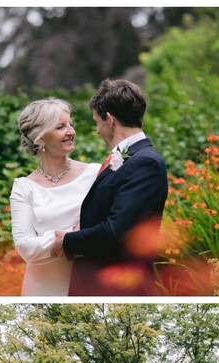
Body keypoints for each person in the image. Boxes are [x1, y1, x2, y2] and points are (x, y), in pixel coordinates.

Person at [53, 79, 168, 295]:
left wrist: (68, 240)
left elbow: (117, 232)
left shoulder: (146, 163)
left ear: (110, 119)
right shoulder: (130, 159)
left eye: (97, 122)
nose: (97, 130)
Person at [10, 98, 102, 295]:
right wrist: (70, 236)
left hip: (87, 284)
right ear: (40, 137)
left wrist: (48, 243)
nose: (71, 131)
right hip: (42, 290)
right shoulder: (23, 188)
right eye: (61, 127)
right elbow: (25, 246)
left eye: (70, 124)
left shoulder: (94, 174)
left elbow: (107, 227)